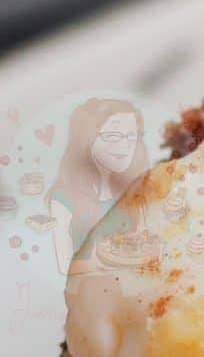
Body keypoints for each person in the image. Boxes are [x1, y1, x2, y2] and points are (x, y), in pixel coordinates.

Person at [46, 97, 151, 279]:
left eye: (131, 136)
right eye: (112, 136)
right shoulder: (63, 200)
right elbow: (64, 265)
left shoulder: (143, 190)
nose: (125, 145)